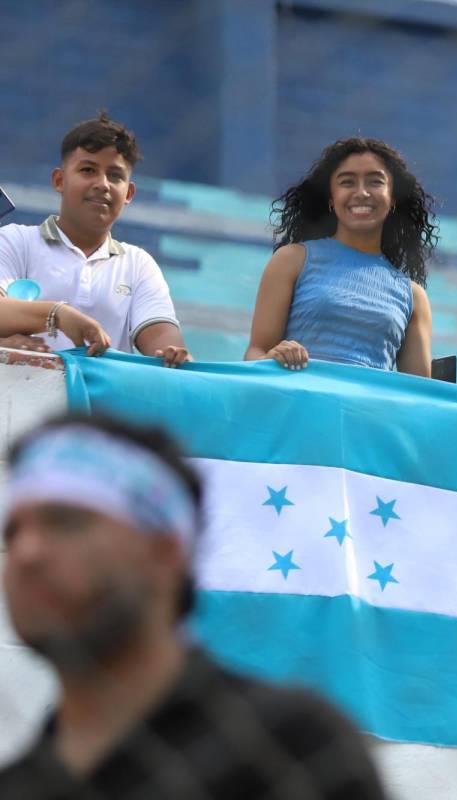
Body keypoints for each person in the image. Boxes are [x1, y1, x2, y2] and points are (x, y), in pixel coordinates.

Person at [0, 414, 387, 798]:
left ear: (166, 550)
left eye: (67, 522)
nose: (27, 553)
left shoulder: (293, 746)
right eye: (12, 532)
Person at [0, 113, 190, 367]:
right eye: (88, 170)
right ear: (59, 180)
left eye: (115, 176)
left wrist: (174, 355)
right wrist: (57, 314)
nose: (102, 184)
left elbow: (165, 343)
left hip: (103, 406)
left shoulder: (138, 264)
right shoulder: (15, 240)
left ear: (129, 193)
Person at [245, 137, 436, 375]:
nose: (362, 193)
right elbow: (255, 352)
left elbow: (418, 393)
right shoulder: (292, 260)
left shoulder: (413, 296)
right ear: (331, 199)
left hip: (367, 413)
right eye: (347, 182)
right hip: (298, 408)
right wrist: (273, 357)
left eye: (375, 182)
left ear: (393, 199)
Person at [0, 297, 110, 356]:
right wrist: (58, 315)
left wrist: (59, 315)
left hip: (104, 387)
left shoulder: (127, 264)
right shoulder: (14, 254)